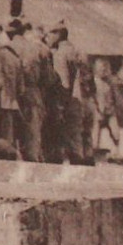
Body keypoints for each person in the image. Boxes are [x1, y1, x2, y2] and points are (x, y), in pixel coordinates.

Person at [5, 16, 55, 162]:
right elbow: (49, 79)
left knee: (9, 138)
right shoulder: (38, 49)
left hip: (9, 98)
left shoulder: (4, 49)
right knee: (32, 139)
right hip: (32, 95)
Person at [48, 19, 94, 164]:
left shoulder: (60, 54)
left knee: (69, 143)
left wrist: (60, 107)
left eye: (51, 34)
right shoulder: (78, 52)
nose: (49, 38)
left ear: (59, 34)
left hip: (70, 102)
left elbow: (64, 84)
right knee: (83, 139)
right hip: (85, 101)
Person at [94, 59, 121, 151]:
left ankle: (117, 149)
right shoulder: (94, 82)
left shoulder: (110, 83)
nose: (103, 71)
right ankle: (94, 149)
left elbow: (115, 96)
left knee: (115, 132)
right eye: (101, 69)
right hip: (98, 111)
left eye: (105, 69)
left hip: (109, 111)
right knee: (95, 132)